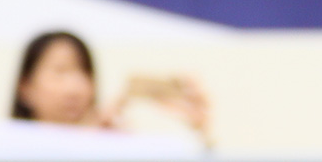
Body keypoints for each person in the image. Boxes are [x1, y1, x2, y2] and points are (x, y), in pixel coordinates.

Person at [11, 30, 211, 138]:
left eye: (84, 72)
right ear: (25, 87)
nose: (75, 88)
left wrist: (201, 132)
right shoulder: (2, 154)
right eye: (60, 72)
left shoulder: (111, 149)